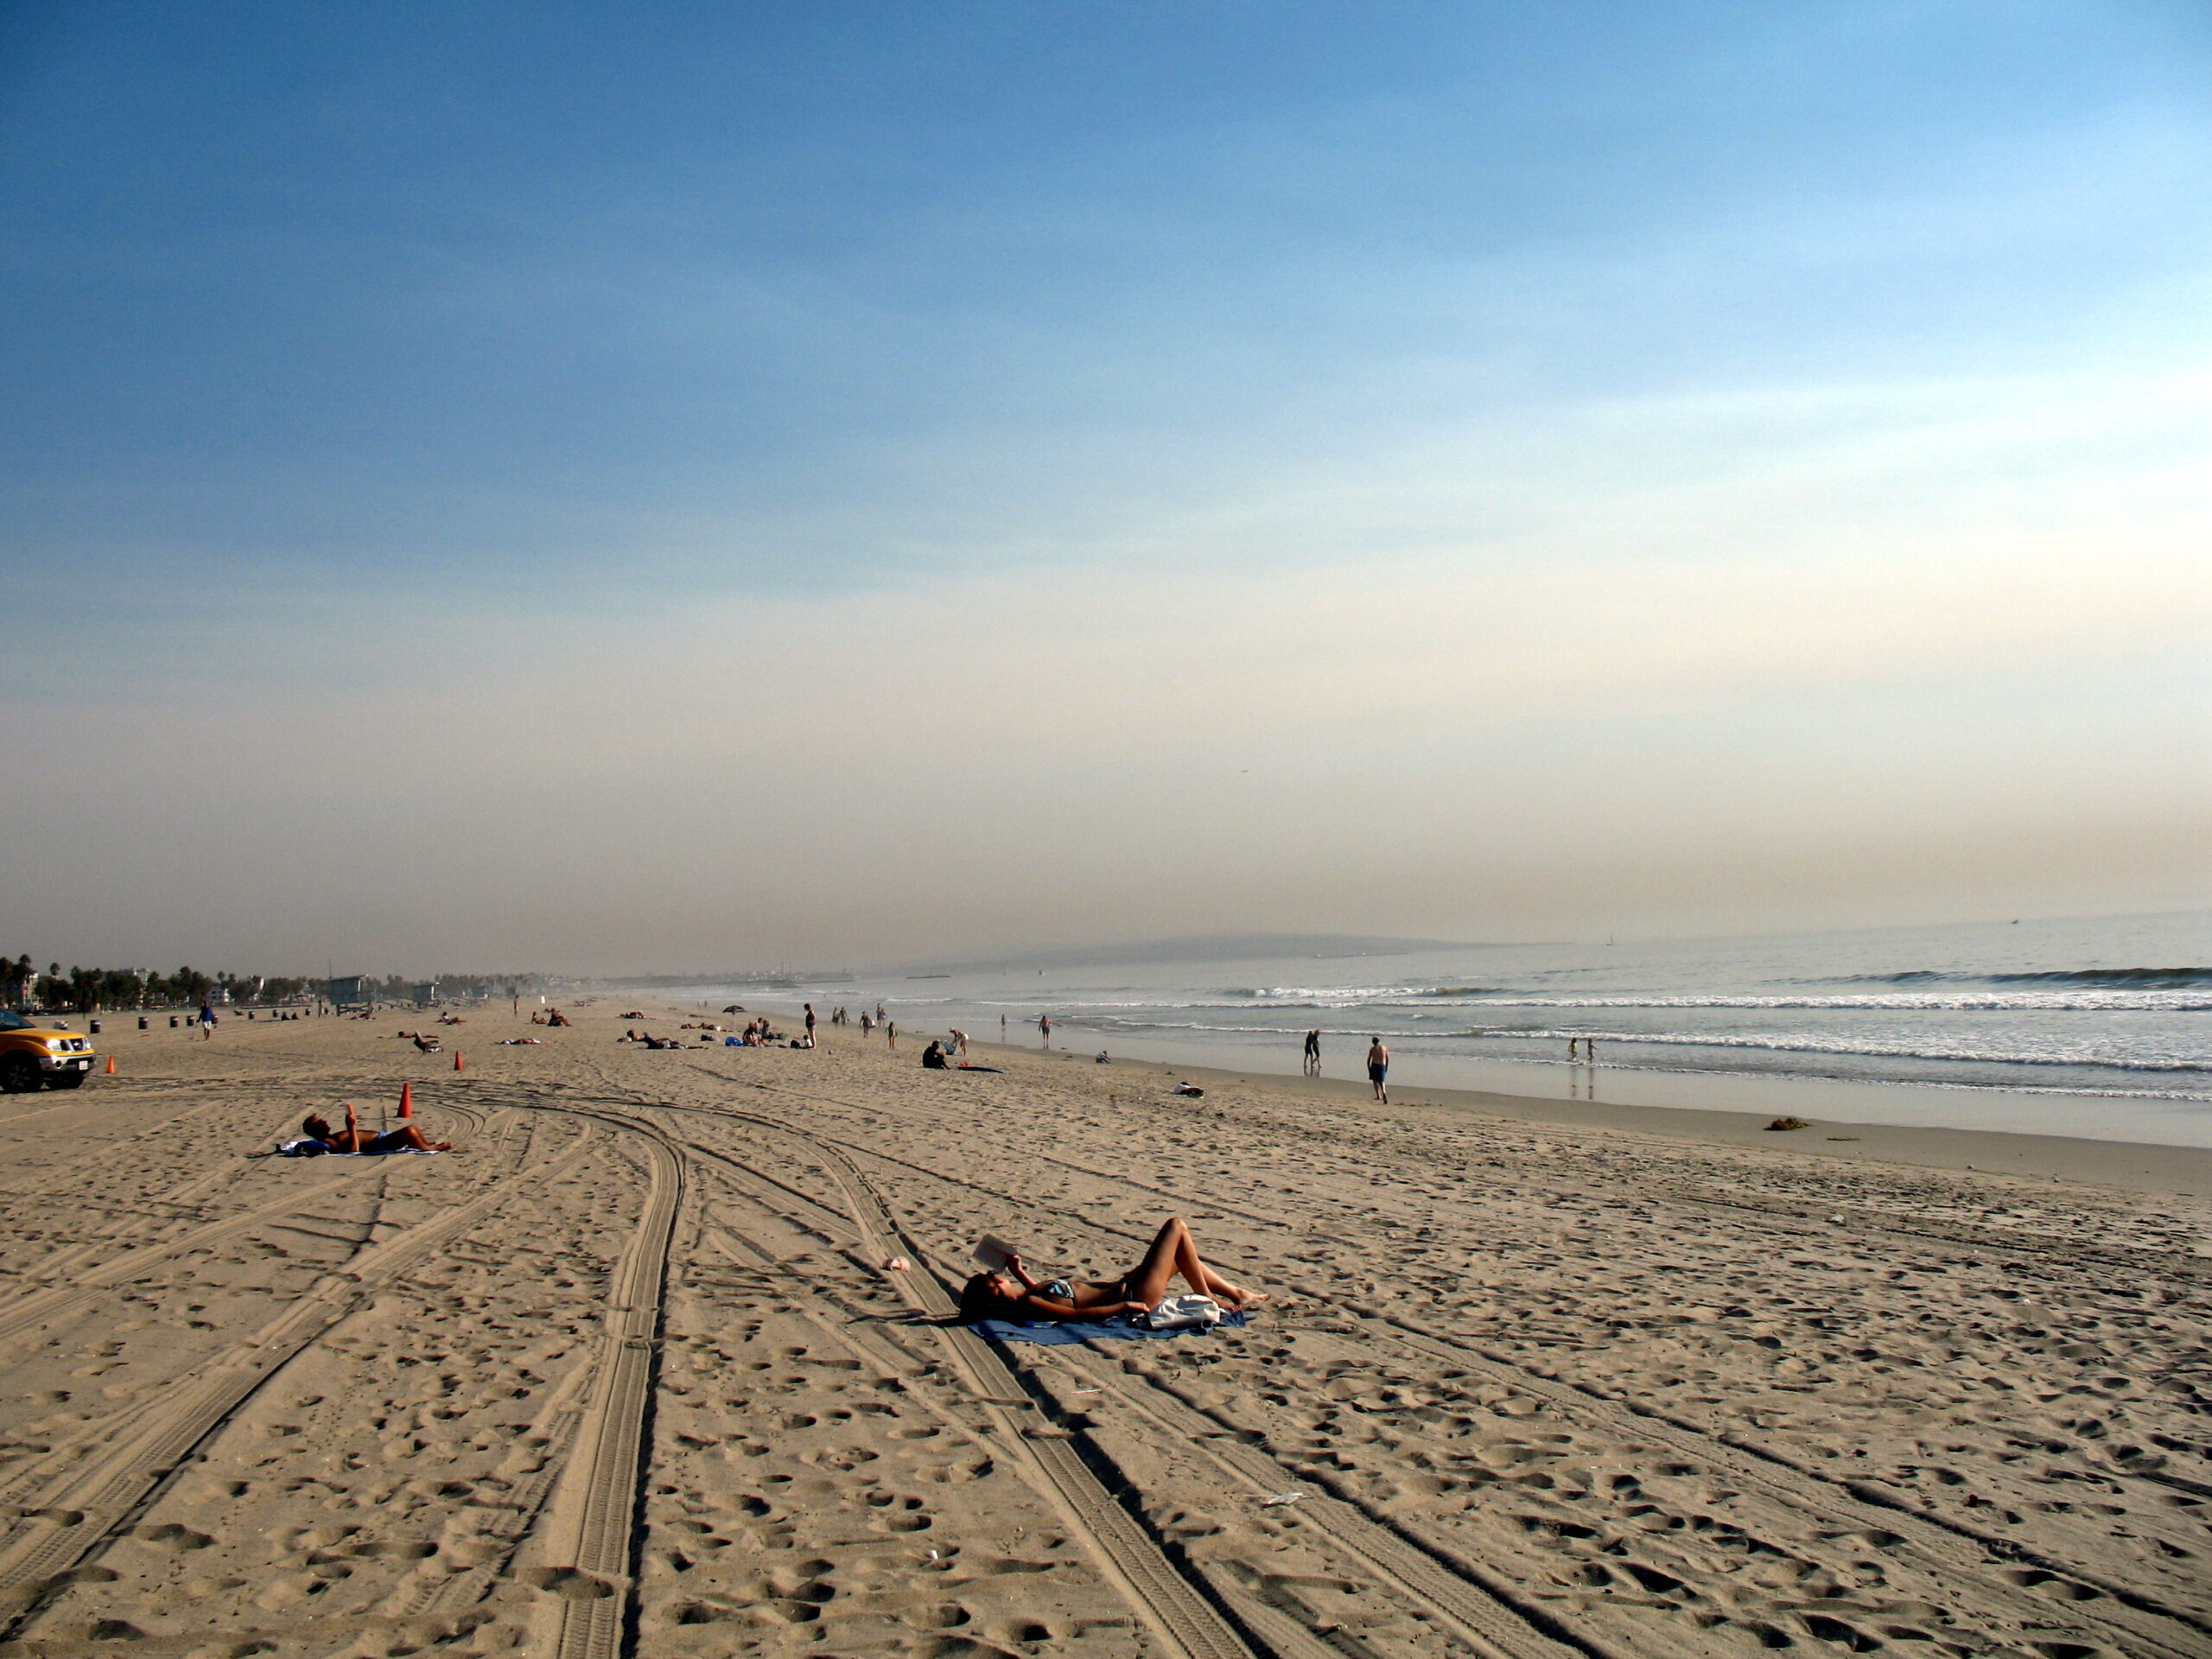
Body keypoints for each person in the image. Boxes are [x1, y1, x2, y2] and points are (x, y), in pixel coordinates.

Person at [958, 1217, 1268, 1324]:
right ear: (997, 1288)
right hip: (1134, 1294)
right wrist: (1123, 1307)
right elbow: (1076, 1315)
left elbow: (1050, 1297)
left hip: (1128, 1285)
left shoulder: (1028, 1295)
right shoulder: (1026, 1303)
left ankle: (1235, 1293)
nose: (998, 1274)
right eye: (994, 1277)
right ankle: (1208, 1298)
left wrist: (1020, 1270)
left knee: (1183, 1258)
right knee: (1176, 1227)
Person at [298, 1103, 453, 1154]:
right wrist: (351, 1128)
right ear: (315, 1130)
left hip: (381, 1138)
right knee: (410, 1130)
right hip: (380, 1143)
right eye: (320, 1122)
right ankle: (426, 1148)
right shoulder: (329, 1142)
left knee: (415, 1129)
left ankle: (425, 1144)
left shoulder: (331, 1137)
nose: (324, 1121)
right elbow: (353, 1150)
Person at [1366, 1036, 1389, 1103]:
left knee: (1375, 1081)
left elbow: (1369, 1059)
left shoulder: (1373, 1049)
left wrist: (1369, 1068)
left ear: (1373, 1042)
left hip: (1375, 1065)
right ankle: (1384, 1092)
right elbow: (1387, 1058)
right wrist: (1386, 1066)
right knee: (1381, 1081)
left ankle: (1379, 1095)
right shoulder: (1384, 1048)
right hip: (1382, 1065)